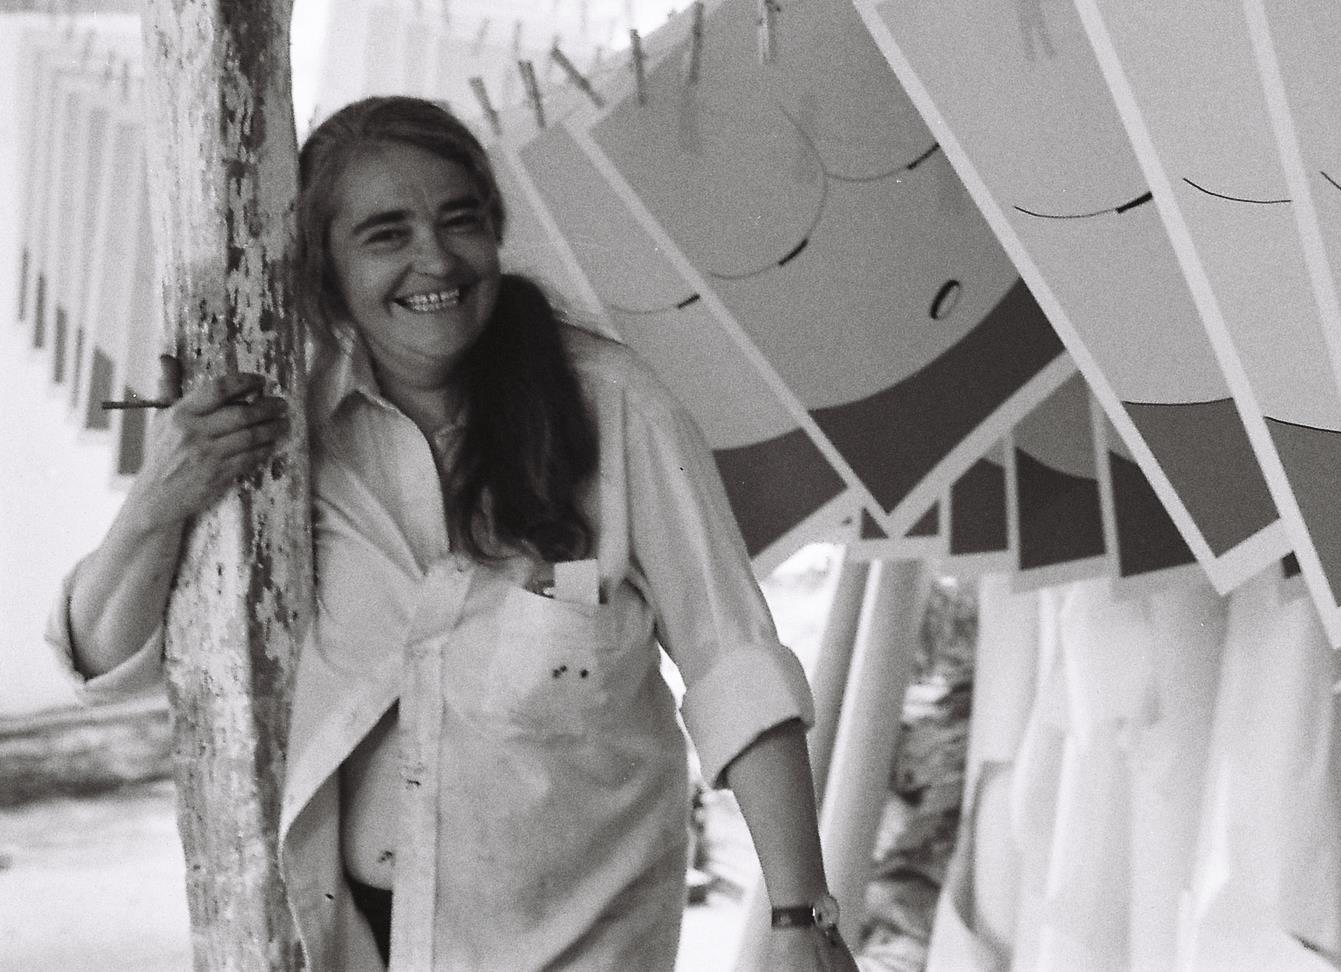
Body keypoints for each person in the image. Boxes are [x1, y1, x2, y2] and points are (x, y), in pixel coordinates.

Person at [49, 95, 861, 971]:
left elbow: (732, 659)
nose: (434, 257)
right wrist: (161, 497)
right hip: (352, 938)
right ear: (325, 272)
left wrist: (798, 917)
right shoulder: (288, 443)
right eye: (385, 234)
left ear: (495, 233)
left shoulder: (616, 408)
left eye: (458, 220)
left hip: (585, 943)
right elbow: (103, 658)